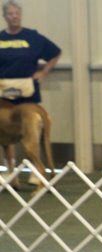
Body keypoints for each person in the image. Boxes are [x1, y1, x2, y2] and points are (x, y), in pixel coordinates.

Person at [0, 0, 60, 179]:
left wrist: (43, 72)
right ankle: (11, 172)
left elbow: (55, 53)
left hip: (28, 93)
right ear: (4, 17)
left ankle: (37, 173)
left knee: (32, 133)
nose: (14, 16)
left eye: (16, 13)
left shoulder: (32, 37)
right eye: (10, 14)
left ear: (21, 15)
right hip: (4, 93)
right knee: (4, 133)